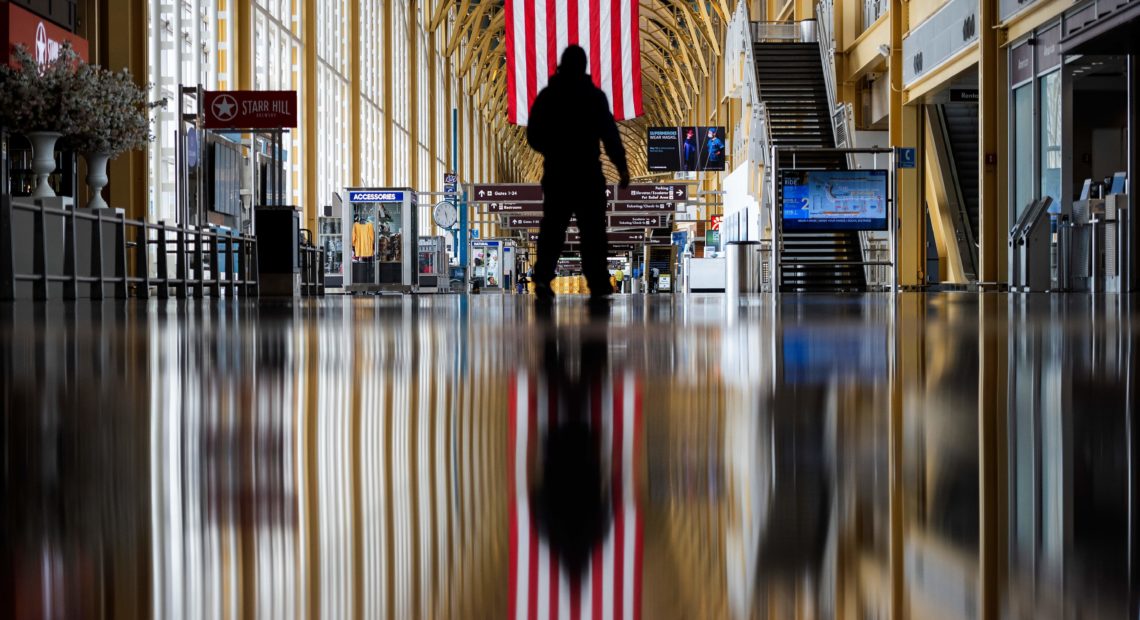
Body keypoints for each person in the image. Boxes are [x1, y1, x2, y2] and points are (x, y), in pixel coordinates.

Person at [527, 45, 630, 311]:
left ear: (562, 64)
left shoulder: (548, 96)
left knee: (552, 229)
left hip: (558, 173)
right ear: (584, 67)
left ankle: (542, 279)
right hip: (588, 174)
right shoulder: (594, 97)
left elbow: (533, 135)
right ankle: (597, 281)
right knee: (593, 231)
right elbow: (610, 135)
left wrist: (553, 148)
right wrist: (622, 168)